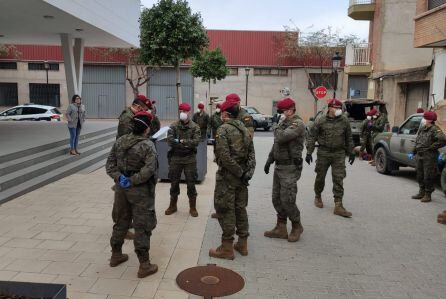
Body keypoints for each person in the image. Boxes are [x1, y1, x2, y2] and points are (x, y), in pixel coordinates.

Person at [105, 111, 158, 278]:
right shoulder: (147, 145)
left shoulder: (120, 141)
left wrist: (120, 178)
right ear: (146, 128)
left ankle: (116, 255)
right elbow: (150, 170)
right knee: (142, 226)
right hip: (140, 191)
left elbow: (109, 165)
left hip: (121, 188)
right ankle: (144, 265)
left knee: (121, 221)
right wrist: (134, 180)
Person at [209, 96, 256, 260]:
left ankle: (227, 247)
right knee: (240, 208)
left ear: (225, 114)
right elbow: (252, 154)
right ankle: (242, 243)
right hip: (242, 177)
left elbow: (224, 156)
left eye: (222, 113)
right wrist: (246, 173)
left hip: (228, 177)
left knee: (224, 209)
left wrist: (237, 172)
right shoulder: (244, 128)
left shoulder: (223, 130)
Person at [263, 98, 305, 242]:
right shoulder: (284, 123)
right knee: (276, 198)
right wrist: (270, 159)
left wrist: (275, 125)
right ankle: (281, 227)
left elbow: (281, 137)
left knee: (287, 199)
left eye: (283, 111)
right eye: (281, 111)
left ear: (290, 110)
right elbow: (277, 144)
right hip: (279, 165)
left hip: (290, 167)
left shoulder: (297, 124)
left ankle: (296, 225)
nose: (282, 113)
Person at [306, 98, 355, 218]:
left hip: (339, 153)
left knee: (339, 178)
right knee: (320, 177)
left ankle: (338, 205)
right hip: (324, 152)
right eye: (336, 108)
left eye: (339, 108)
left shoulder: (344, 120)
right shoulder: (321, 120)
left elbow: (348, 137)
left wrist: (352, 152)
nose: (338, 110)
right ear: (329, 108)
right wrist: (309, 152)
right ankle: (318, 196)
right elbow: (312, 137)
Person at [165, 103, 201, 217]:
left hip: (189, 158)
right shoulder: (174, 126)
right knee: (174, 182)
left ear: (189, 112)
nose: (182, 113)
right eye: (181, 110)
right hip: (176, 157)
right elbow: (170, 141)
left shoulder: (195, 127)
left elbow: (196, 142)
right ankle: (173, 205)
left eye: (184, 111)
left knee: (191, 183)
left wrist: (181, 141)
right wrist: (185, 144)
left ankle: (193, 207)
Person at [410, 111, 446, 202]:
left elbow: (443, 139)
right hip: (419, 155)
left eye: (425, 118)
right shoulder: (423, 128)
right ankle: (421, 192)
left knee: (428, 176)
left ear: (430, 120)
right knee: (419, 175)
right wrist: (413, 151)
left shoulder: (435, 129)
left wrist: (431, 147)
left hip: (429, 156)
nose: (423, 119)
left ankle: (428, 194)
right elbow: (418, 140)